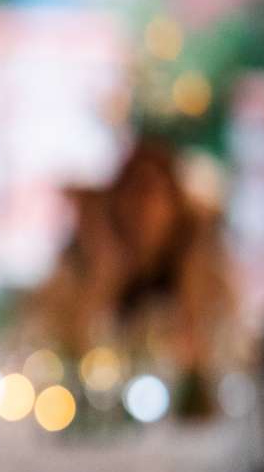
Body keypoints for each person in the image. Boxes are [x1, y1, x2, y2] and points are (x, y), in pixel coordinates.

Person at [30, 138, 242, 413]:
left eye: (152, 192)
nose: (141, 208)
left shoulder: (203, 275)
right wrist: (104, 275)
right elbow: (58, 353)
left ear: (174, 204)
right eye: (131, 192)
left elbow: (221, 357)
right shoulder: (82, 269)